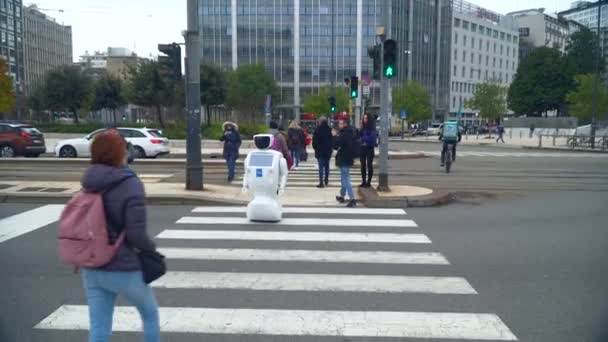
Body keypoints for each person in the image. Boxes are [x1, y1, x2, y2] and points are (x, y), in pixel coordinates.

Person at [80, 131, 160, 342]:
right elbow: (136, 234)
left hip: (92, 266)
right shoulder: (130, 183)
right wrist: (151, 250)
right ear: (119, 153)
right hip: (123, 266)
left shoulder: (88, 181)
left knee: (99, 329)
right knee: (150, 314)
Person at [333, 119, 357, 207]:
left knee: (345, 179)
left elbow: (336, 145)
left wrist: (334, 136)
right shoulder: (351, 132)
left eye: (340, 123)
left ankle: (352, 198)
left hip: (344, 158)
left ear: (344, 124)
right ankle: (342, 196)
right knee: (344, 178)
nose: (339, 125)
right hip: (348, 157)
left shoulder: (344, 134)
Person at [312, 116, 333, 188]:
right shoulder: (329, 130)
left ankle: (321, 182)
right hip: (327, 151)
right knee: (327, 166)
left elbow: (314, 141)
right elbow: (331, 140)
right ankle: (326, 179)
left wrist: (316, 148)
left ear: (320, 122)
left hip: (320, 151)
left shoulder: (317, 130)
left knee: (321, 167)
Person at [359, 113, 377, 188]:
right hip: (362, 148)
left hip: (369, 148)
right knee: (362, 165)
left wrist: (363, 139)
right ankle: (363, 181)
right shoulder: (362, 128)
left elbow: (371, 139)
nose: (365, 120)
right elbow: (358, 137)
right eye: (364, 118)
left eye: (366, 118)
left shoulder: (372, 128)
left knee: (369, 165)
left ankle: (368, 182)